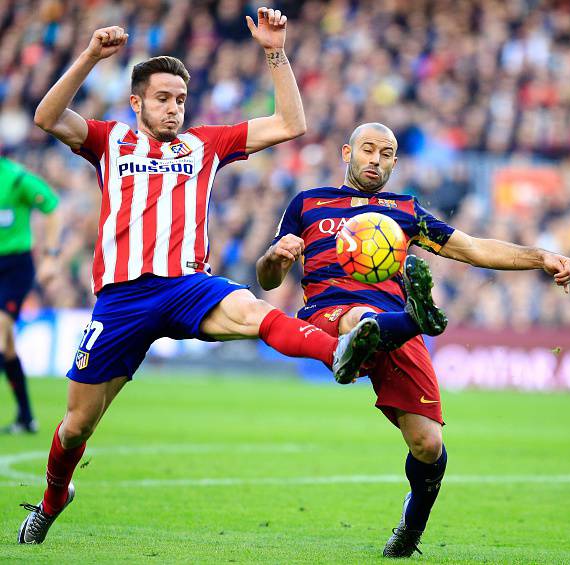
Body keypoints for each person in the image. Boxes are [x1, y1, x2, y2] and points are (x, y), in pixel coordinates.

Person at [18, 10, 380, 545]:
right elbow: (47, 117)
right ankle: (54, 498)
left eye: (181, 99)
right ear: (136, 101)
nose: (173, 108)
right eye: (163, 98)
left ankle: (340, 352)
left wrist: (274, 51)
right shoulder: (108, 140)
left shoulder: (205, 145)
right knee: (76, 427)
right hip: (122, 299)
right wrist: (92, 56)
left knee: (257, 313)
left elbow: (290, 124)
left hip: (189, 286)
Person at [256, 122, 570, 558]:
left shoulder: (404, 210)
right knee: (359, 318)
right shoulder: (308, 203)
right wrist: (274, 258)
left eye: (386, 154)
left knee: (428, 445)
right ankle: (392, 329)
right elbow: (269, 280)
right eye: (368, 150)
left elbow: (473, 249)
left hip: (391, 320)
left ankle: (411, 527)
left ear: (395, 162)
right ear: (346, 153)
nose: (376, 160)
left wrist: (540, 256)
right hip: (329, 312)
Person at [0, 155, 61, 434]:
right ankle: (26, 418)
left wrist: (49, 256)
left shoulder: (16, 178)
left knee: (0, 331)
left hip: (14, 268)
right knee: (7, 344)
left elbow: (51, 206)